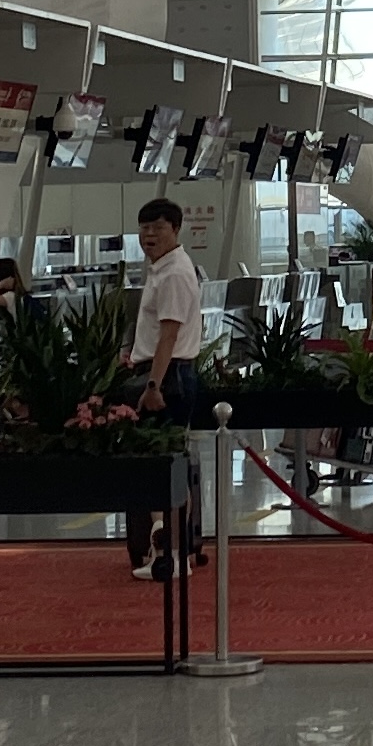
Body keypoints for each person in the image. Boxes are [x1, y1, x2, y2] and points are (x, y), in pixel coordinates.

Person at [125, 198, 209, 578]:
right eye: (144, 228)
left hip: (169, 378)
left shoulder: (174, 273)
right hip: (165, 373)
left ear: (175, 229)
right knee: (165, 465)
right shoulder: (163, 269)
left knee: (168, 467)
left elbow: (169, 336)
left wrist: (153, 385)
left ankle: (173, 555)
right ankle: (171, 552)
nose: (149, 235)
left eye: (158, 227)